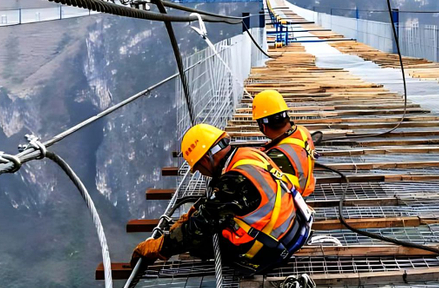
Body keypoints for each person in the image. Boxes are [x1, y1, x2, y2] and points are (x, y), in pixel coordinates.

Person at [131, 123, 312, 276]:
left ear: (206, 158)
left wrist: (158, 247)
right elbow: (223, 200)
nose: (201, 173)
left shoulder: (234, 180)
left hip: (271, 250)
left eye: (198, 168)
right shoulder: (247, 155)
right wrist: (194, 213)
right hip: (292, 229)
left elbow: (197, 230)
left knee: (198, 242)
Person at [252, 90, 317, 197]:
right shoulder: (302, 131)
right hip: (307, 184)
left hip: (295, 199)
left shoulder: (276, 156)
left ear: (263, 126)